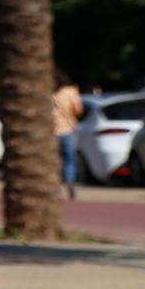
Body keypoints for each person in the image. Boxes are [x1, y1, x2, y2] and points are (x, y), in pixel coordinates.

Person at [53, 68, 86, 200]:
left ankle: (57, 186)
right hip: (68, 129)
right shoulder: (71, 92)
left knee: (54, 161)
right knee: (69, 160)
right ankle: (70, 182)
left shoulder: (48, 94)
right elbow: (79, 110)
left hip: (52, 131)